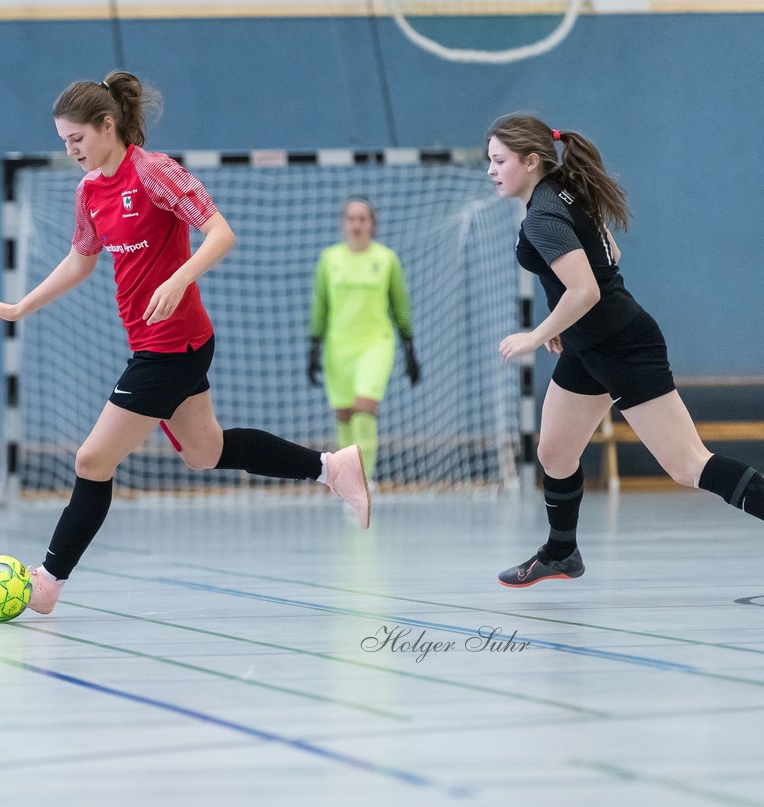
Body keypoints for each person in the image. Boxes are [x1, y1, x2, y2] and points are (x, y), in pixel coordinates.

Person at [0, 71, 370, 615]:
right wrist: (21, 305)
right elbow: (80, 259)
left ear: (107, 125)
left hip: (174, 343)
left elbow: (221, 233)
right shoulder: (89, 191)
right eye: (63, 141)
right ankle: (333, 467)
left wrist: (179, 277)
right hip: (154, 343)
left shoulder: (155, 172)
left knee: (93, 460)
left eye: (77, 139)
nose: (69, 150)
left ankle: (47, 581)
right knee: (204, 452)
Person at [486, 113, 762, 587]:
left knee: (688, 465)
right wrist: (562, 321)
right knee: (554, 453)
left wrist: (536, 334)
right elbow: (609, 254)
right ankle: (561, 553)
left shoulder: (545, 213)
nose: (491, 170)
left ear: (531, 161)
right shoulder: (562, 192)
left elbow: (587, 291)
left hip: (623, 346)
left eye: (499, 160)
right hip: (587, 347)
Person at [307, 198, 420, 480]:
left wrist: (409, 348)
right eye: (351, 218)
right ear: (343, 223)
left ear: (372, 224)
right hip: (338, 346)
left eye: (362, 219)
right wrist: (314, 346)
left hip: (375, 343)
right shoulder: (329, 259)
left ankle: (364, 480)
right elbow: (320, 304)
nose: (356, 224)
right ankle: (346, 480)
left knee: (364, 408)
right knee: (344, 414)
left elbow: (400, 306)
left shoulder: (385, 259)